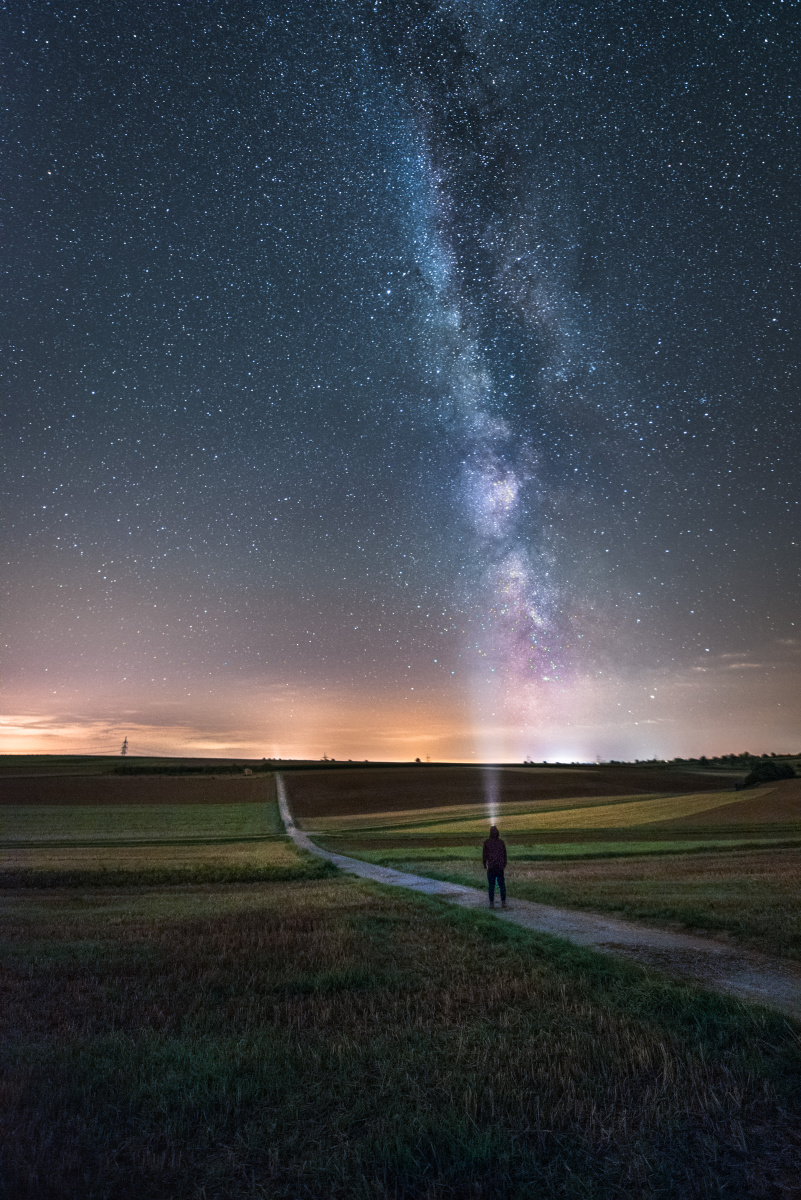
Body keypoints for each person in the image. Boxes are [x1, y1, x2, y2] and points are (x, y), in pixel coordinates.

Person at [482, 825, 507, 908]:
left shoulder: (486, 842)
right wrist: (504, 864)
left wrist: (484, 864)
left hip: (491, 867)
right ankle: (503, 902)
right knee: (501, 885)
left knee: (491, 886)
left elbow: (484, 855)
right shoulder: (501, 842)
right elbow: (504, 854)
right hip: (499, 867)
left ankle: (491, 903)